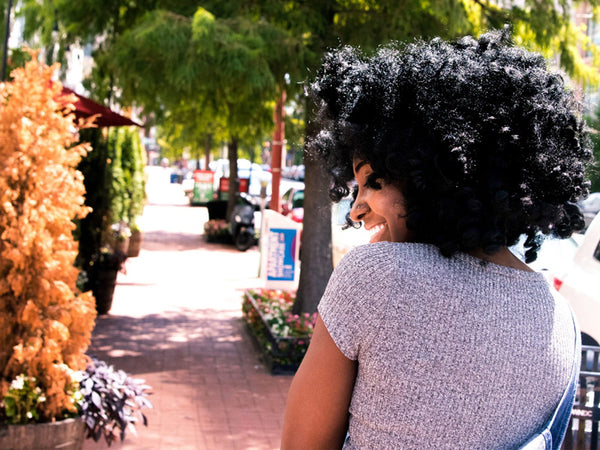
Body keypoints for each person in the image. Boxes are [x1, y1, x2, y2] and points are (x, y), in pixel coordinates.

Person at [281, 28, 592, 449]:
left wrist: (376, 266)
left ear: (436, 174)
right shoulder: (561, 320)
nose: (356, 208)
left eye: (372, 181)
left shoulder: (376, 279)